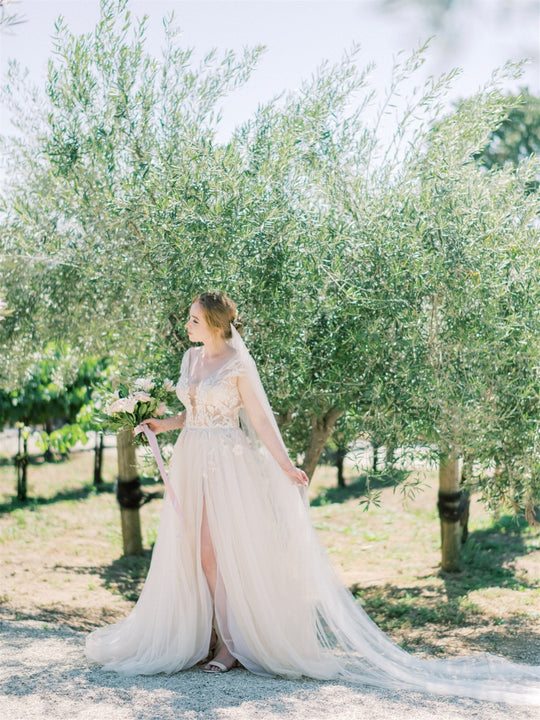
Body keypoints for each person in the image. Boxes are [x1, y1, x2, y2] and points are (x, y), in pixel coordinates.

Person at [86, 291, 540, 705]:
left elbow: (261, 422)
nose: (187, 325)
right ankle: (204, 635)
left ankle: (232, 645)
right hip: (191, 461)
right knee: (193, 552)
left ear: (218, 325)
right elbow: (192, 413)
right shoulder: (189, 360)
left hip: (227, 465)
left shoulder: (238, 367)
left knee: (216, 553)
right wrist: (159, 425)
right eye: (189, 319)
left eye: (194, 320)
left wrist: (286, 466)